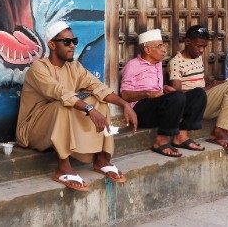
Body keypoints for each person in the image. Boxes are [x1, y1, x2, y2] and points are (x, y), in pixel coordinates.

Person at [16, 20, 138, 192]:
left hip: (59, 122)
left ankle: (102, 159)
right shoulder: (38, 68)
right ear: (52, 45)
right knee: (63, 105)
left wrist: (125, 104)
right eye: (67, 42)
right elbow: (60, 93)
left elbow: (98, 87)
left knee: (100, 101)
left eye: (74, 41)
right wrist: (89, 110)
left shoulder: (74, 66)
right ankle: (63, 169)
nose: (72, 45)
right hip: (31, 129)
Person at [169, 25, 228, 151]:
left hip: (206, 99)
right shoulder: (176, 62)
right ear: (187, 42)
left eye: (204, 47)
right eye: (198, 46)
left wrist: (215, 83)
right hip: (195, 107)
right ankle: (218, 132)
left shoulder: (197, 58)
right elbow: (177, 95)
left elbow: (199, 80)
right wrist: (210, 87)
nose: (201, 50)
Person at [120, 29, 198, 157]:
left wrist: (165, 88)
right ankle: (160, 141)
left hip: (157, 106)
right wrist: (147, 93)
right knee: (177, 97)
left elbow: (157, 89)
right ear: (147, 50)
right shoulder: (132, 65)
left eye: (163, 45)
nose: (164, 50)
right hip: (141, 111)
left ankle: (181, 136)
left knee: (198, 94)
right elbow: (124, 95)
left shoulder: (158, 64)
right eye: (159, 46)